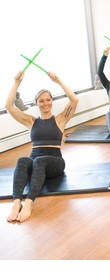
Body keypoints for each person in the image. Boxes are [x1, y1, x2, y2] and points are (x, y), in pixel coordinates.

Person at [5, 71, 78, 222]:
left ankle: (29, 203)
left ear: (52, 101)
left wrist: (58, 81)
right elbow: (9, 106)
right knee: (22, 160)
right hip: (36, 161)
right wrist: (17, 83)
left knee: (39, 161)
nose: (46, 103)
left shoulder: (60, 120)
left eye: (48, 100)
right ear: (36, 103)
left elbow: (74, 100)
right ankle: (16, 202)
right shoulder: (30, 121)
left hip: (55, 161)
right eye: (41, 101)